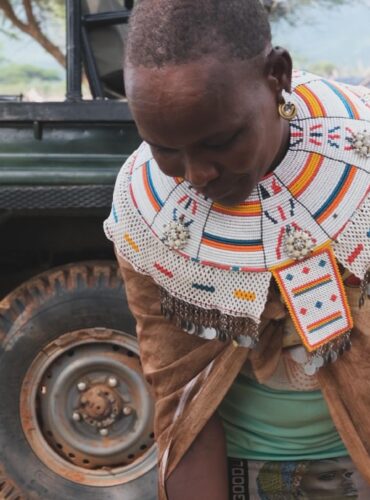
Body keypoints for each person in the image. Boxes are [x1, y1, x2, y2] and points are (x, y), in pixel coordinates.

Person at [104, 0, 370, 498]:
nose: (197, 175)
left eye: (221, 140)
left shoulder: (362, 163)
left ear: (277, 76)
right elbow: (180, 396)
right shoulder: (148, 216)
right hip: (241, 473)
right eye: (164, 148)